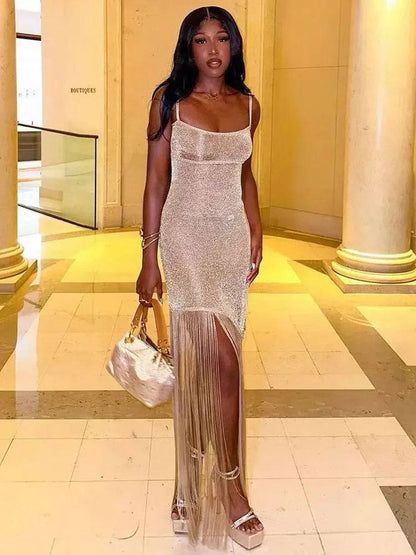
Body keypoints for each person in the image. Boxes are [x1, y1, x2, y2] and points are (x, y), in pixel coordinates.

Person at [136, 5, 264, 551]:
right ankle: (212, 485)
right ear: (188, 49)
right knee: (209, 363)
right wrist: (149, 258)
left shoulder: (250, 105)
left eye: (222, 39)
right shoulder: (169, 102)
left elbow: (246, 174)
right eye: (201, 40)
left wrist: (256, 227)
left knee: (218, 366)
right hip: (185, 242)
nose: (213, 50)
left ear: (234, 45)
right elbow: (154, 183)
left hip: (231, 244)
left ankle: (209, 483)